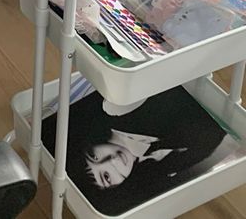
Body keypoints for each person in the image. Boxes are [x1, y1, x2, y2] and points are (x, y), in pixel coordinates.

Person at [51, 89, 232, 215]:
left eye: (95, 156)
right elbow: (214, 142)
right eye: (106, 176)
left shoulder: (120, 111)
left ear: (91, 144)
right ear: (118, 185)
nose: (112, 161)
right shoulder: (162, 162)